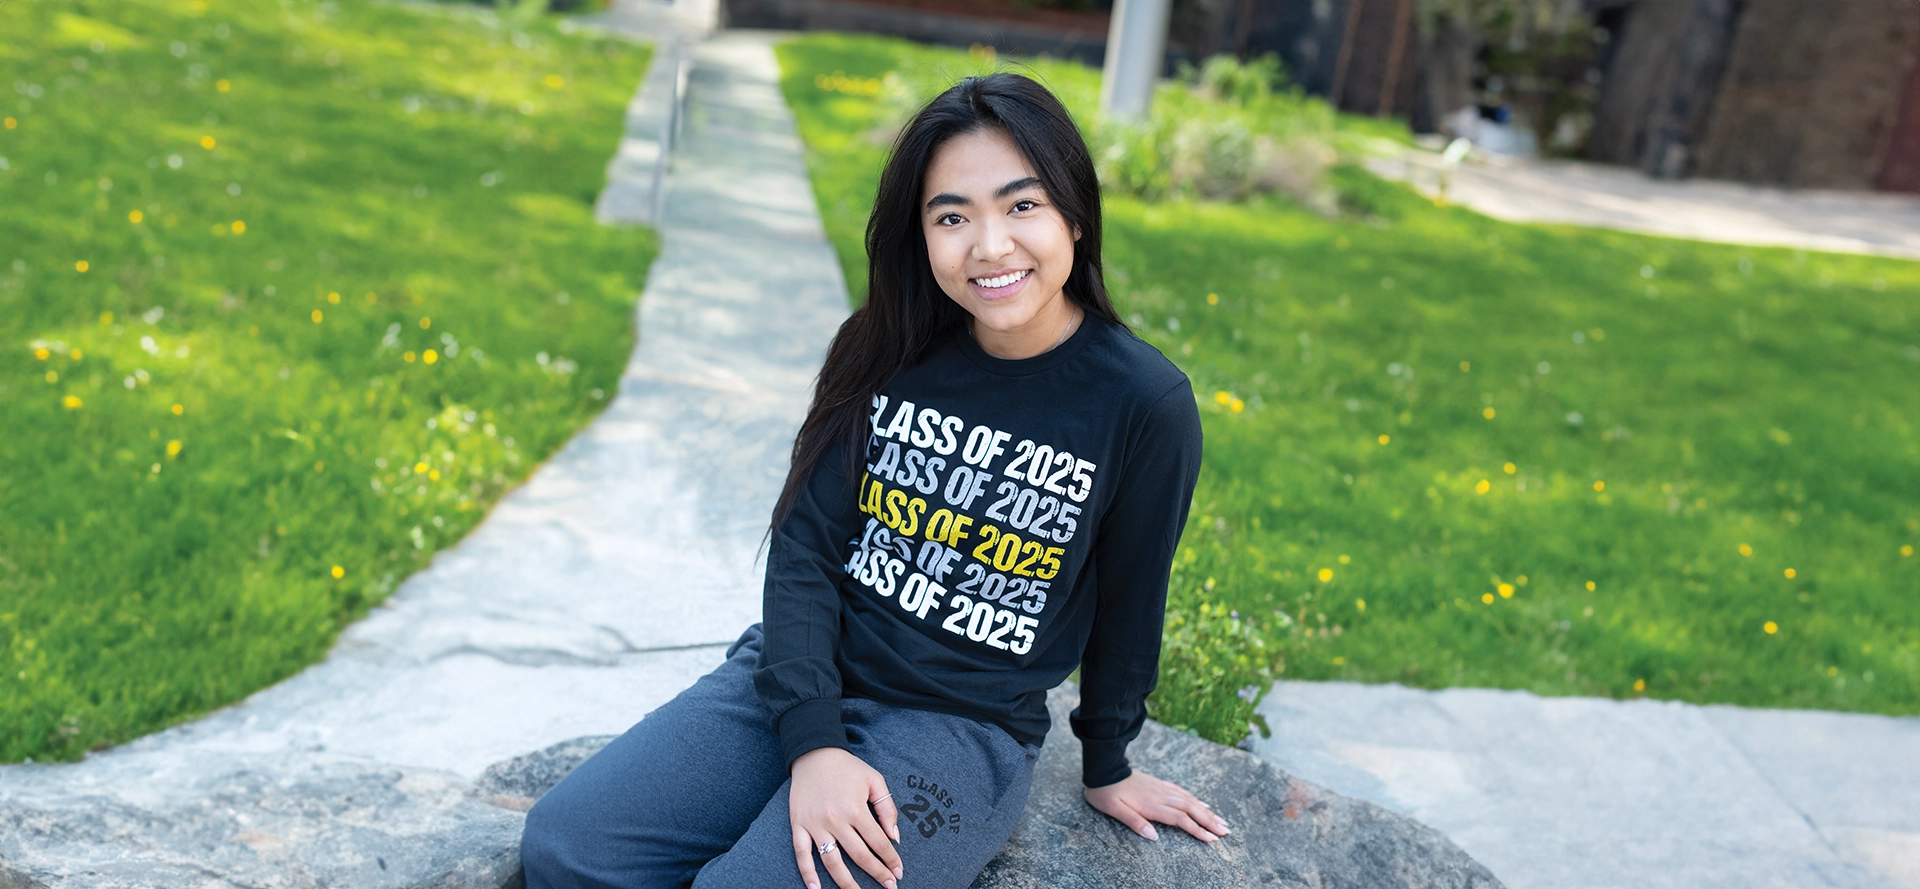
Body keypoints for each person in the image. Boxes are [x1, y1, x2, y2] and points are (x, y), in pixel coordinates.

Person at [520, 71, 1223, 889]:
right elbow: (805, 552)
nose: (990, 246)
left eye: (1021, 205)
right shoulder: (885, 347)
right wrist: (814, 742)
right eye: (952, 216)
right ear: (920, 235)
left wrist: (1108, 761)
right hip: (796, 676)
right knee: (568, 845)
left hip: (956, 731)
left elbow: (1133, 603)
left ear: (1074, 210)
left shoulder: (1143, 403)